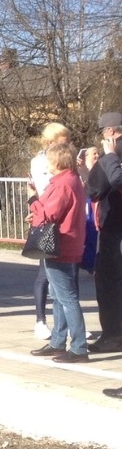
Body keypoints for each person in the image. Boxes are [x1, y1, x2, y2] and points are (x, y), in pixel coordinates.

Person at [28, 141, 89, 363]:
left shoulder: (63, 183)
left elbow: (48, 213)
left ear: (57, 160)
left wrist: (33, 200)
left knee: (66, 297)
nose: (46, 164)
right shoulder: (70, 180)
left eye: (49, 159)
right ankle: (58, 339)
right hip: (66, 242)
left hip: (60, 244)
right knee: (58, 295)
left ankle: (79, 347)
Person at [29, 122, 70, 339]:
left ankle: (67, 320)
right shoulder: (40, 161)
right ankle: (40, 320)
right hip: (47, 218)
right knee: (44, 272)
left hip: (65, 220)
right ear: (51, 142)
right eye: (64, 141)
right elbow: (44, 189)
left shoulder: (67, 160)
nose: (69, 145)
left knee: (64, 274)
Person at [85, 112, 122, 354]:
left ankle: (113, 335)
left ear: (109, 132)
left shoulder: (110, 155)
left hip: (115, 229)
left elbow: (95, 189)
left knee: (108, 282)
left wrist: (108, 158)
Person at [78, 146, 100, 274]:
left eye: (98, 153)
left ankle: (92, 263)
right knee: (89, 232)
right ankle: (89, 263)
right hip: (86, 204)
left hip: (95, 204)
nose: (97, 156)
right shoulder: (80, 171)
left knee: (94, 234)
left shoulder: (100, 168)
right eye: (94, 154)